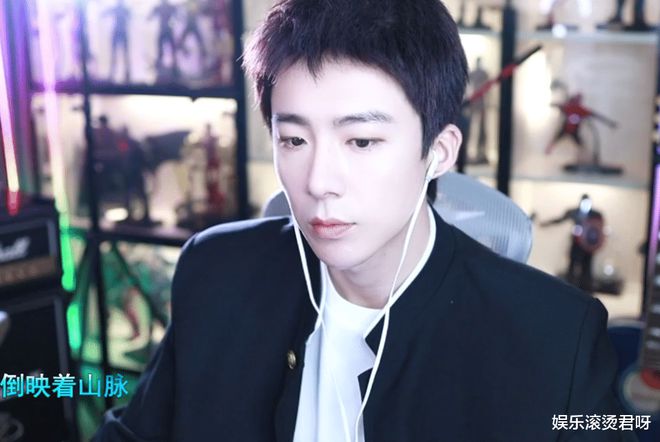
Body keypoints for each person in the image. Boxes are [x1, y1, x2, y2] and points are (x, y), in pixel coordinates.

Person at [93, 0, 632, 441]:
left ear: (439, 152)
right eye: (294, 140)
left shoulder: (556, 336)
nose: (319, 181)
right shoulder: (217, 272)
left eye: (362, 141)